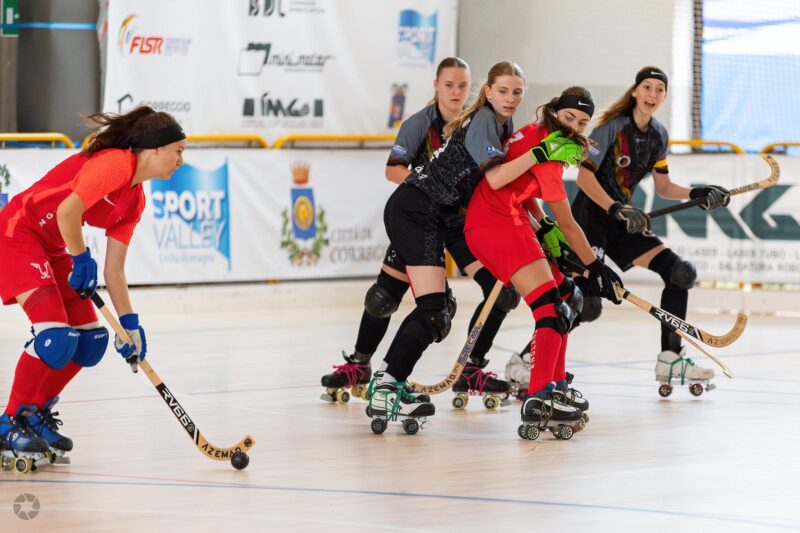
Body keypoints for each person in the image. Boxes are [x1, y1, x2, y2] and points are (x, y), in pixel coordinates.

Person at [366, 61, 585, 430]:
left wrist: (541, 223)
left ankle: (404, 379)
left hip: (445, 216)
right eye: (503, 91)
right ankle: (386, 386)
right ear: (488, 91)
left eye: (517, 92)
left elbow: (512, 187)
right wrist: (540, 153)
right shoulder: (484, 119)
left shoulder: (504, 125)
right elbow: (497, 178)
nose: (510, 99)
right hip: (417, 210)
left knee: (453, 305)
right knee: (433, 310)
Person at [320, 57, 518, 407]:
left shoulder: (488, 119)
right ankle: (363, 365)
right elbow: (393, 170)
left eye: (462, 85)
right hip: (422, 211)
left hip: (457, 219)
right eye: (449, 85)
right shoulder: (422, 123)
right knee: (387, 298)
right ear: (437, 86)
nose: (456, 92)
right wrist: (428, 184)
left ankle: (471, 368)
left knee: (500, 292)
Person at [0, 106, 186, 467]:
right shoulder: (116, 164)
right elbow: (68, 212)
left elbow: (114, 270)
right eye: (178, 151)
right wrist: (82, 258)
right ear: (156, 148)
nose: (181, 160)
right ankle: (9, 421)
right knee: (54, 336)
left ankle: (35, 413)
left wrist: (130, 325)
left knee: (91, 340)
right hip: (18, 233)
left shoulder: (135, 200)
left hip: (54, 246)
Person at [464, 87, 623, 438]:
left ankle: (556, 385)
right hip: (496, 224)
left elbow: (520, 188)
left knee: (569, 298)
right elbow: (569, 222)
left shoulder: (539, 133)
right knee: (550, 309)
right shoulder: (549, 151)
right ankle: (540, 398)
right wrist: (596, 267)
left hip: (508, 218)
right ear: (555, 111)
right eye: (569, 117)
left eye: (581, 123)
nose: (574, 127)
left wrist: (543, 225)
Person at [571, 66, 730, 388]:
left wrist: (697, 193)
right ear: (635, 91)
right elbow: (584, 178)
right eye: (647, 87)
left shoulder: (659, 135)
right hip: (591, 220)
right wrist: (614, 207)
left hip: (623, 221)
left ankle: (670, 358)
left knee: (680, 272)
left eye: (659, 89)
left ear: (664, 96)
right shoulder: (610, 128)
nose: (652, 94)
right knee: (587, 306)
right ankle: (528, 361)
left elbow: (664, 187)